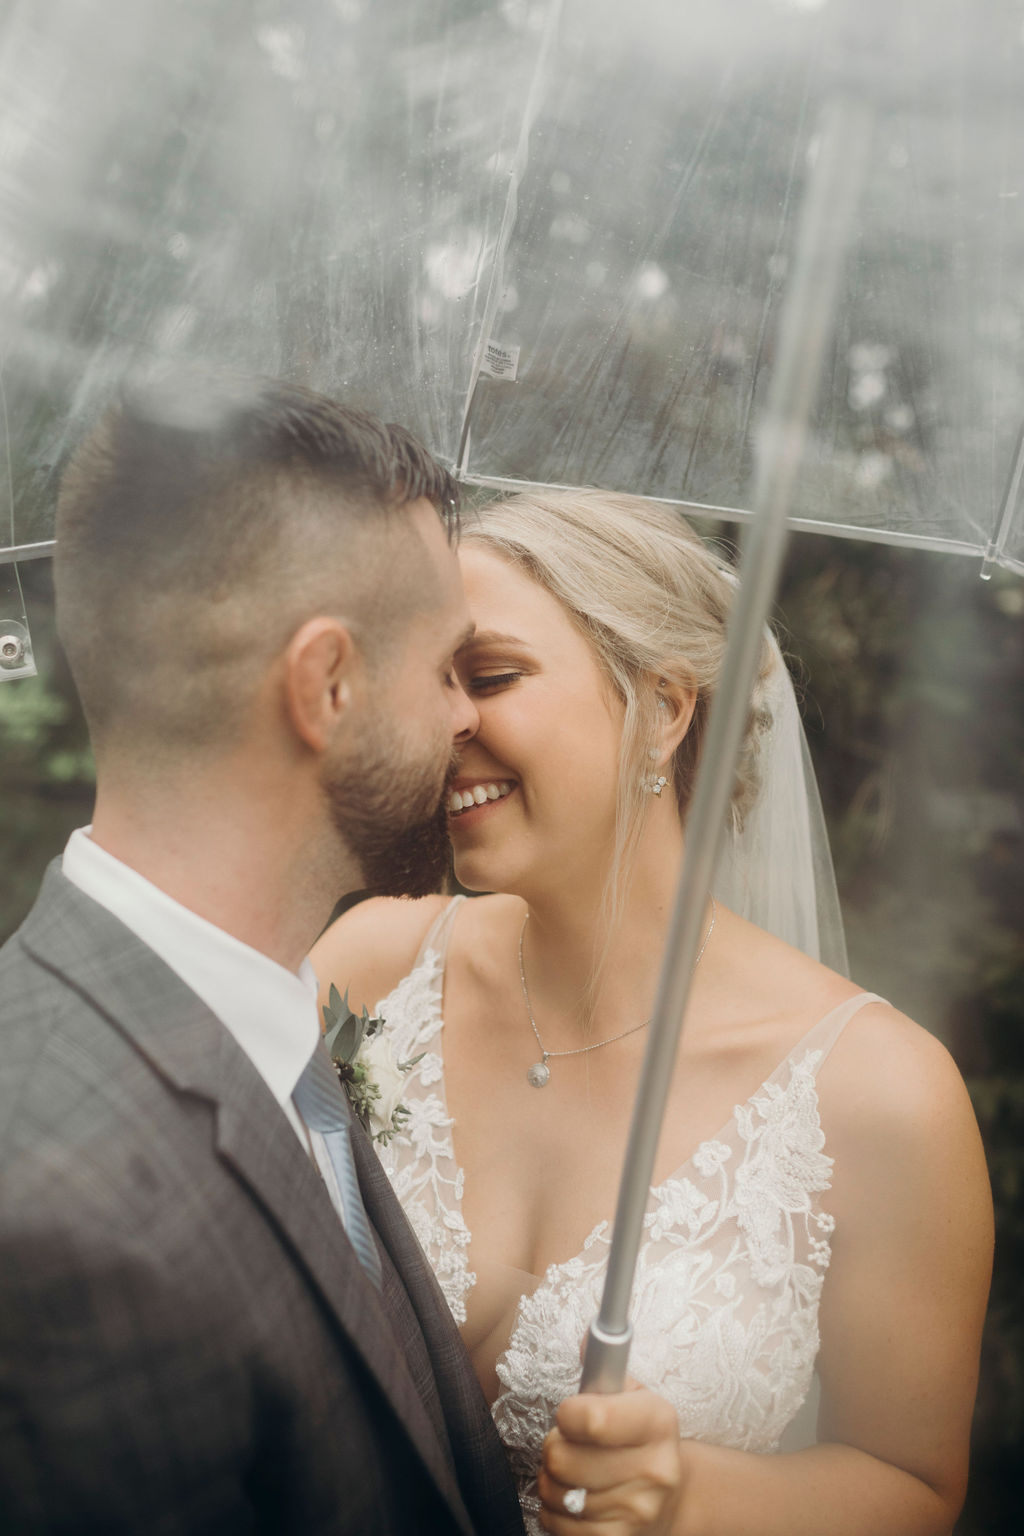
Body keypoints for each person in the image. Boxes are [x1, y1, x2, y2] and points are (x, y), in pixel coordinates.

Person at [312, 488, 994, 1536]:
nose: (446, 721)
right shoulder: (368, 967)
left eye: (489, 675)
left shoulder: (879, 1096)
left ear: (665, 711)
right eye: (430, 681)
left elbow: (910, 1487)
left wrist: (687, 1493)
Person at [0, 373, 526, 1535]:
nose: (463, 720)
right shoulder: (54, 1228)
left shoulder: (271, 1030)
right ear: (325, 685)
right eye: (447, 668)